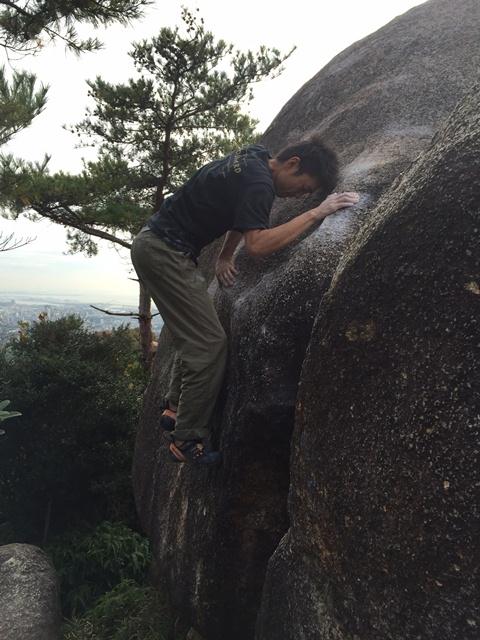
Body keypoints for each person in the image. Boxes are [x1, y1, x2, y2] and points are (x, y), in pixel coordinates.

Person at [130, 135, 359, 465]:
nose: (299, 195)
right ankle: (186, 440)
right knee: (209, 344)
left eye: (307, 195)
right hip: (165, 253)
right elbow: (258, 244)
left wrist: (224, 254)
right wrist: (316, 213)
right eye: (303, 187)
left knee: (195, 330)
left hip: (157, 245)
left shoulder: (254, 157)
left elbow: (238, 213)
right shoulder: (259, 183)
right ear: (292, 164)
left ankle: (174, 408)